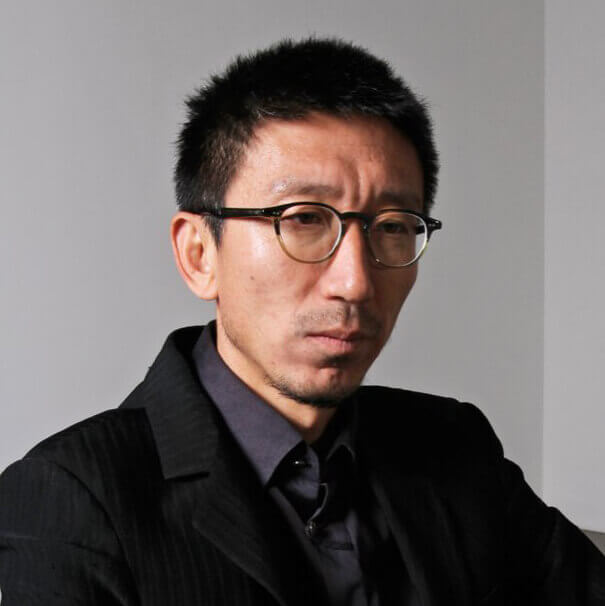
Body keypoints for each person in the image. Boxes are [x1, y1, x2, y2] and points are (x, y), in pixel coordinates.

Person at [0, 37, 603, 606]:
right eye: (304, 219)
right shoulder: (71, 501)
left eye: (393, 226)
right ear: (199, 254)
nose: (355, 282)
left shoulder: (454, 446)